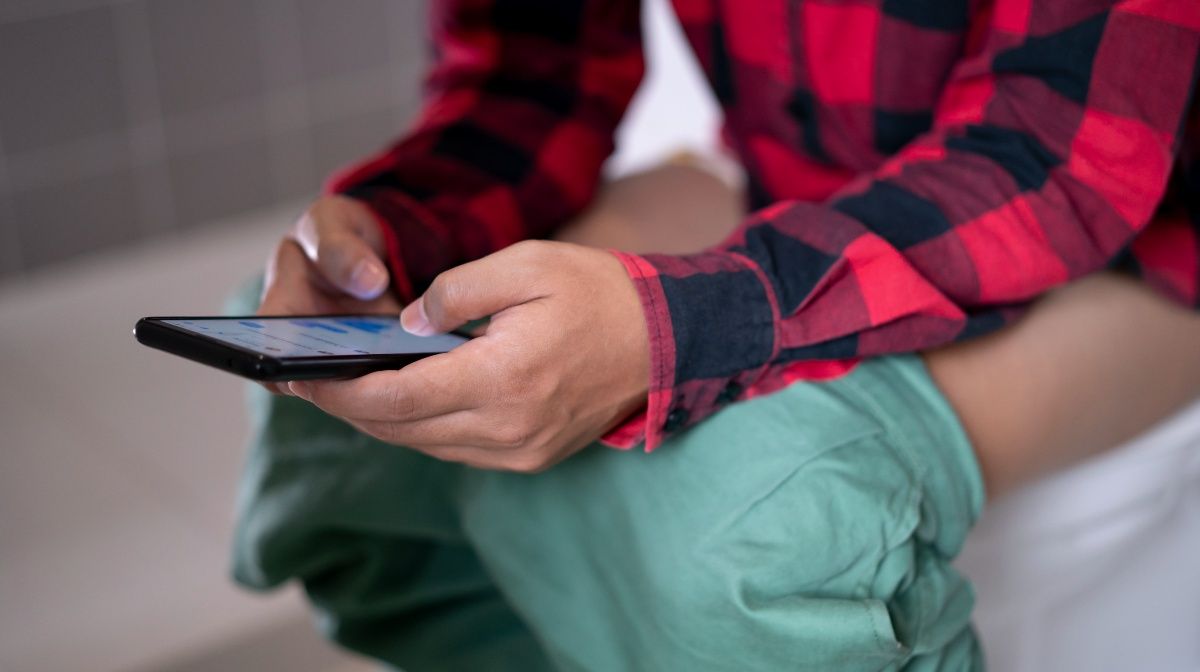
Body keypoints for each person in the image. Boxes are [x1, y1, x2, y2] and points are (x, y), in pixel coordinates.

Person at [231, 1, 1200, 669]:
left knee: (764, 523)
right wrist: (397, 223)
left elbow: (1052, 153)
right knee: (346, 417)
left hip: (1136, 238)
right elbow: (541, 70)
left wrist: (686, 326)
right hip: (802, 177)